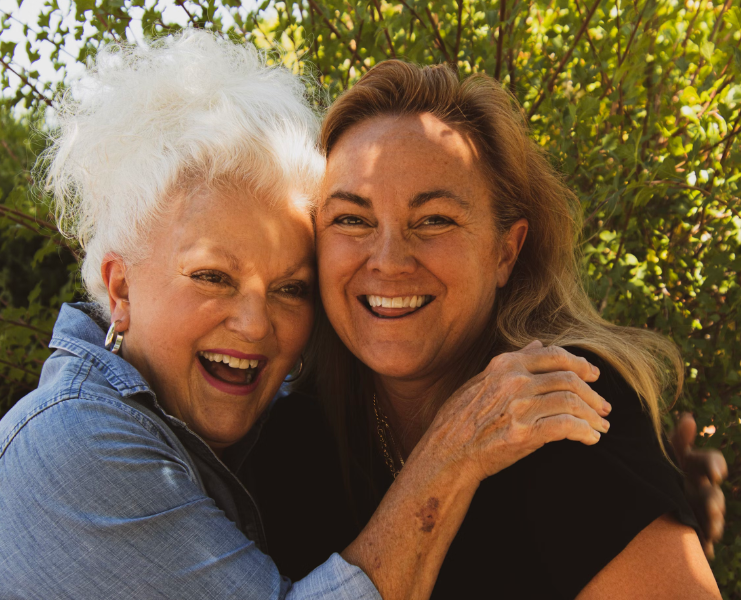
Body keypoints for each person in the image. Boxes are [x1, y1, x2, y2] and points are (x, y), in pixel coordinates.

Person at [0, 34, 614, 600]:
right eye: (212, 277)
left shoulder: (245, 423)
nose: (256, 325)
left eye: (290, 289)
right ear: (120, 289)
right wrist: (453, 450)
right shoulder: (73, 446)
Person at [247, 60, 723, 599]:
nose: (388, 260)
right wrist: (450, 454)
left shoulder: (563, 406)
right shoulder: (289, 439)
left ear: (505, 251)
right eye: (352, 220)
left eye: (434, 220)